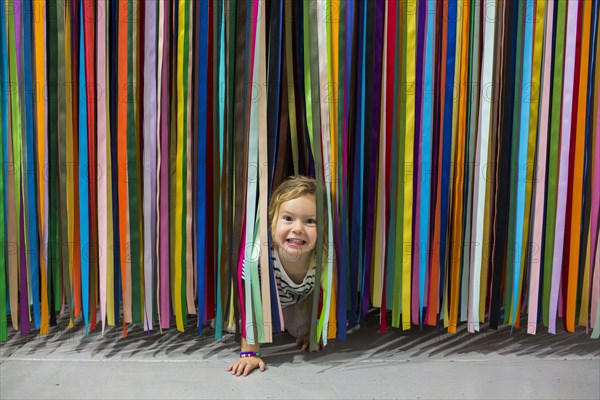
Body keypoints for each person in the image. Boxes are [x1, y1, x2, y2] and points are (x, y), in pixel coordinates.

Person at [227, 175, 321, 376]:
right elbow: (250, 301)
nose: (297, 228)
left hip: (292, 303)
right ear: (271, 221)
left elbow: (317, 292)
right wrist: (249, 352)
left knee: (300, 329)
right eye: (288, 218)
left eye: (310, 221)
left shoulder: (321, 259)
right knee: (236, 325)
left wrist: (311, 329)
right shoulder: (259, 260)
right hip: (257, 307)